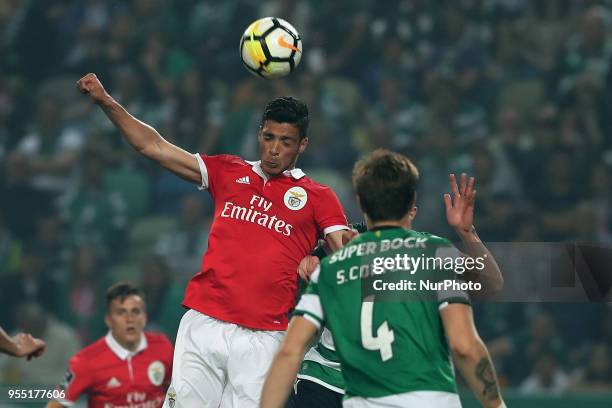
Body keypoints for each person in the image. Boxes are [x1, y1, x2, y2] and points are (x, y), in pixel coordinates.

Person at [76, 73, 349, 408]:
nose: (274, 149)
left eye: (286, 141)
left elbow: (346, 250)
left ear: (302, 145)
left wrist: (320, 257)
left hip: (265, 336)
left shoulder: (319, 197)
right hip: (204, 322)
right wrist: (106, 101)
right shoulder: (227, 171)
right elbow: (153, 146)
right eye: (268, 137)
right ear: (259, 134)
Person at [262, 149, 506, 408]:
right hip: (370, 382)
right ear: (411, 203)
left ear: (361, 203)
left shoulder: (337, 259)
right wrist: (468, 235)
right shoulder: (434, 253)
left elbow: (290, 349)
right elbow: (488, 293)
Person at [46, 283, 173, 408]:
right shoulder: (85, 361)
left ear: (144, 317)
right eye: (121, 312)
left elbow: (177, 390)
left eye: (135, 311)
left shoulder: (163, 347)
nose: (130, 319)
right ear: (108, 320)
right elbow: (56, 403)